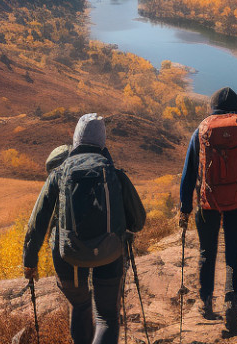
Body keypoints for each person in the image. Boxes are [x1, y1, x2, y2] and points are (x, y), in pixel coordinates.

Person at [25, 114, 146, 344]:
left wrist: (30, 261)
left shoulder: (59, 174)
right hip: (109, 253)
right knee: (106, 317)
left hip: (68, 256)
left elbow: (37, 222)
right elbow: (138, 222)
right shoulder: (115, 174)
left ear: (76, 139)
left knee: (80, 306)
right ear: (103, 141)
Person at [179, 87, 237, 331]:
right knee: (233, 256)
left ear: (213, 107)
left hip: (207, 203)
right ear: (236, 108)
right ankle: (231, 305)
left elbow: (188, 173)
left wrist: (184, 208)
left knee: (207, 253)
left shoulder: (202, 130)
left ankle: (206, 303)